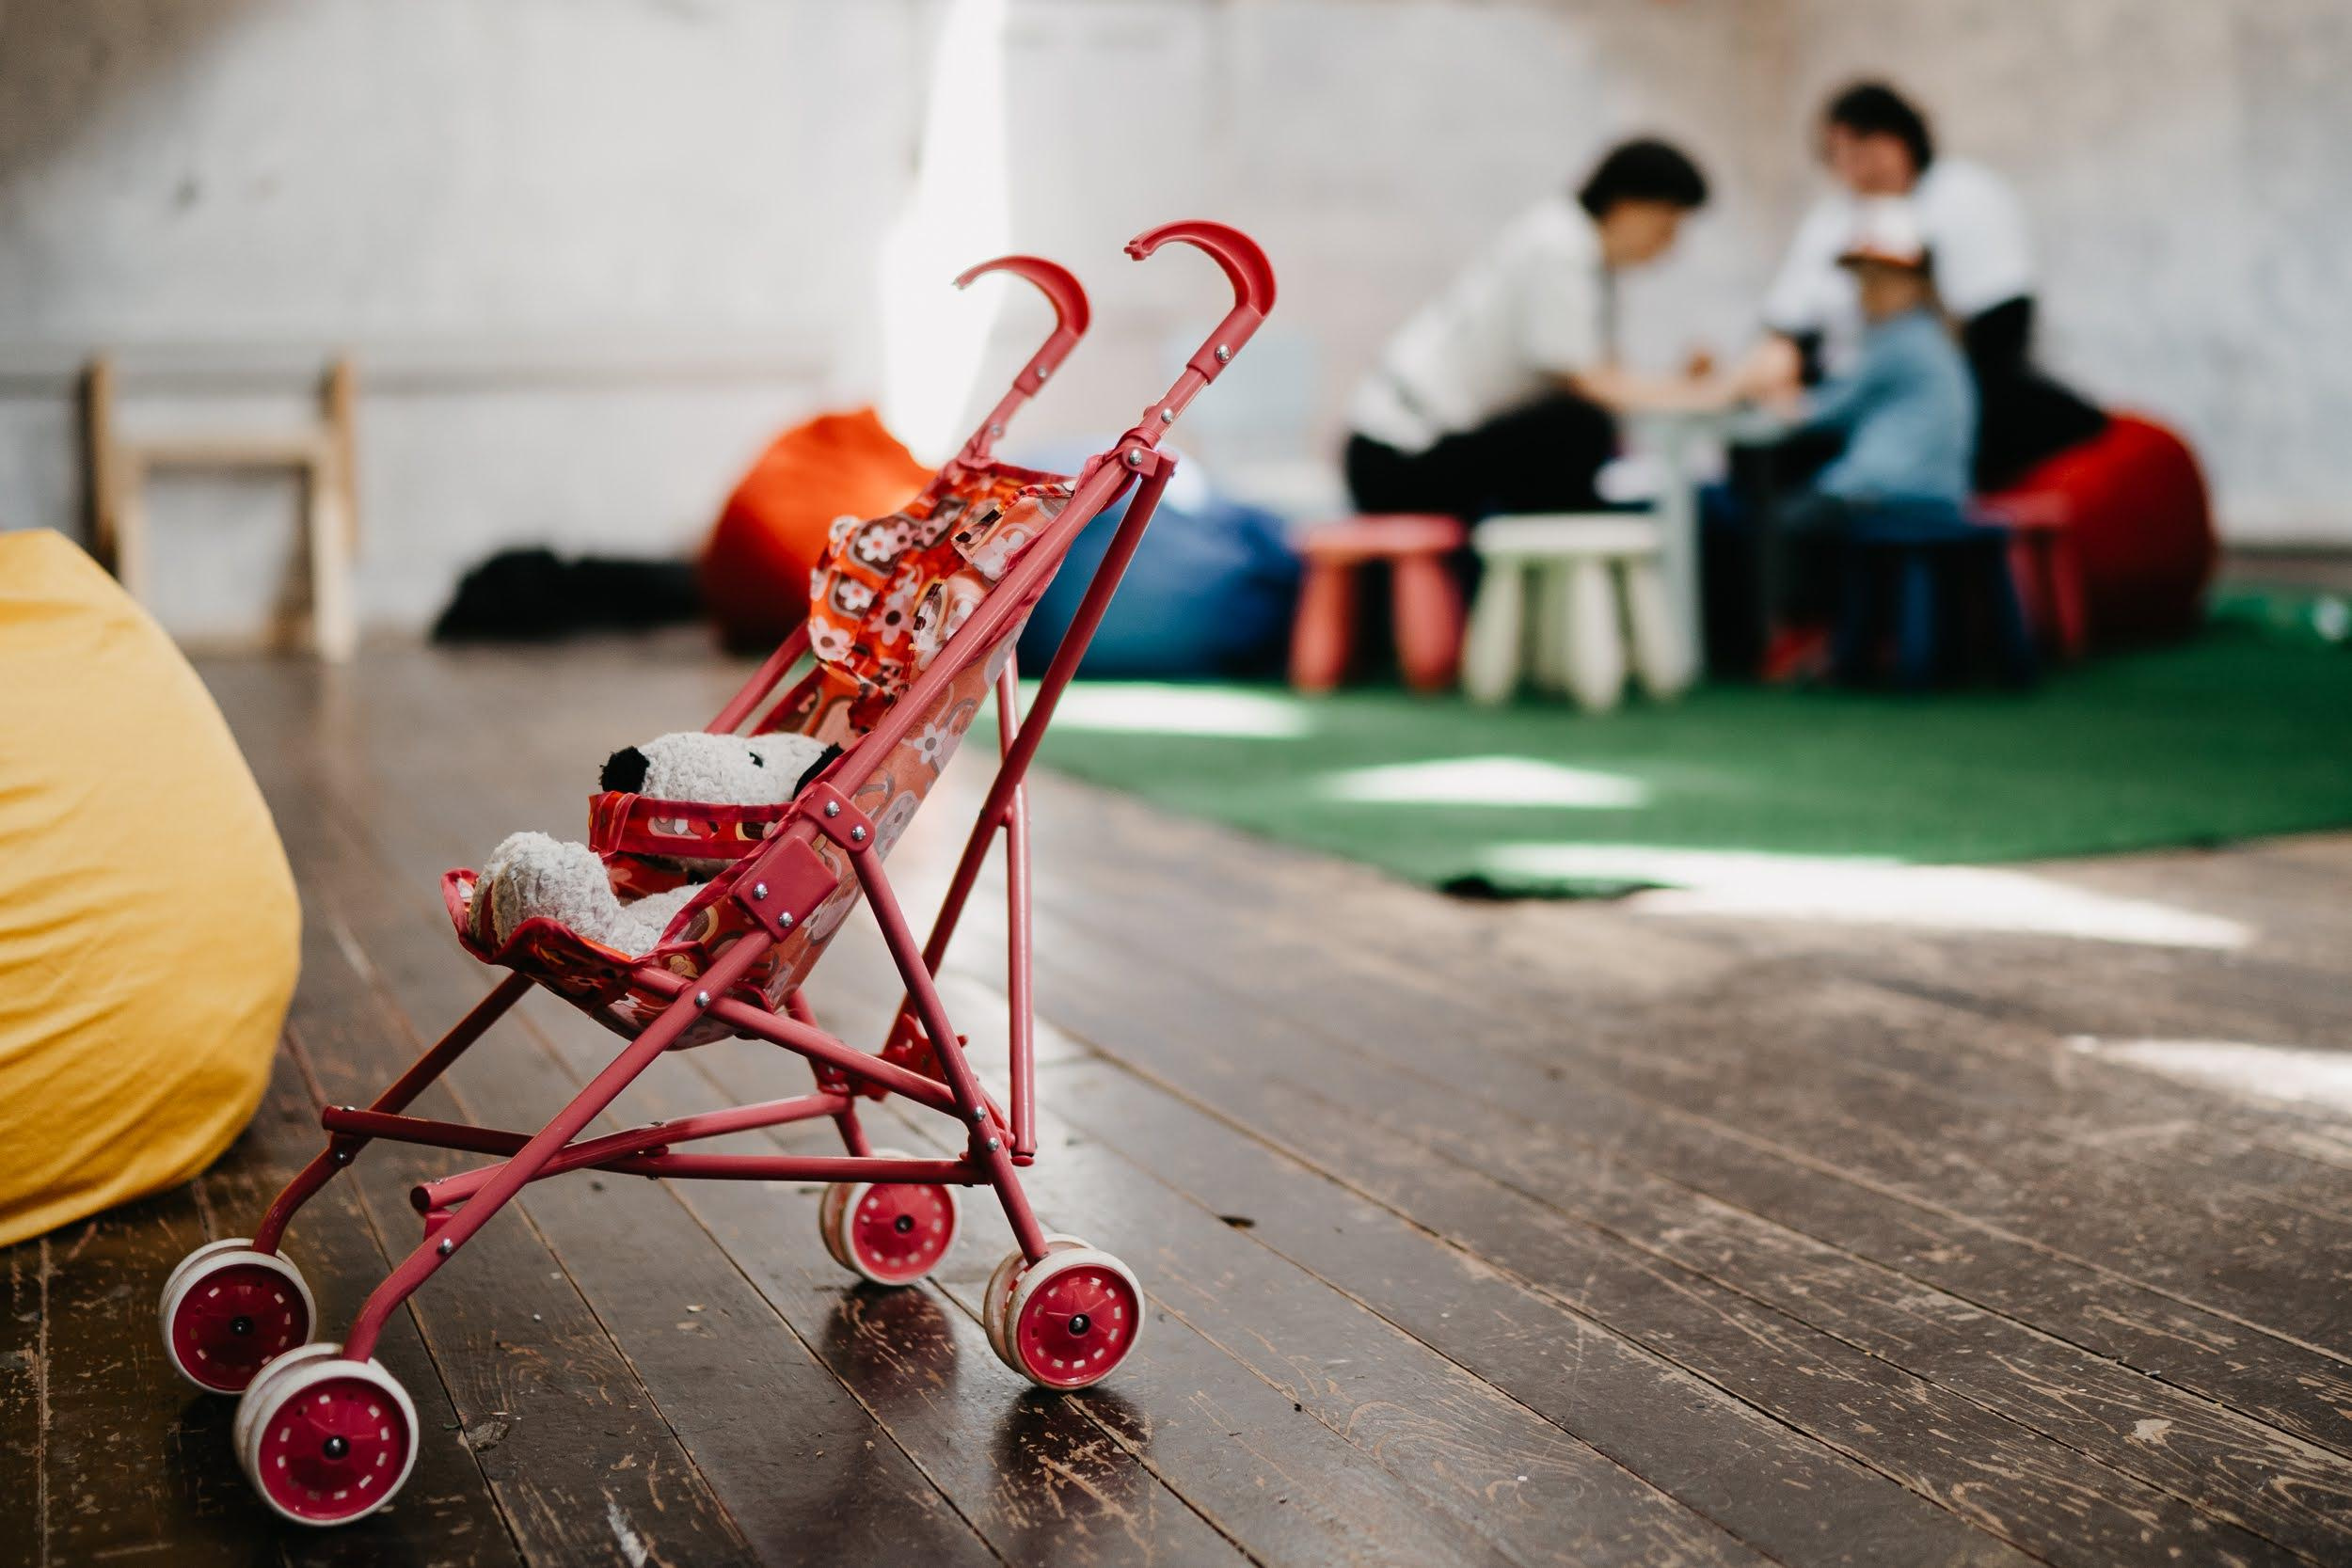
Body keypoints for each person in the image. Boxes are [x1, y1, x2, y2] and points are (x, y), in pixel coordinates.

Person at [1737, 81, 2100, 489]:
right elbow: (1788, 322)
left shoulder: (1964, 194)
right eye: (1841, 158)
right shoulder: (1830, 218)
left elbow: (2002, 325)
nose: (1857, 170)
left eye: (1866, 151)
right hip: (1858, 384)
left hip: (1957, 382)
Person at [1344, 138, 1724, 519]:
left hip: (1418, 445)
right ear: (1628, 207)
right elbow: (1589, 386)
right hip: (1397, 454)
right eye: (1666, 226)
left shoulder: (1587, 260)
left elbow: (1610, 382)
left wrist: (1678, 387)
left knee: (1583, 430)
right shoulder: (1561, 247)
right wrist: (1697, 395)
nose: (1670, 246)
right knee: (1578, 427)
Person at [1732, 198, 1978, 674]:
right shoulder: (1930, 338)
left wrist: (1778, 397)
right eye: (1863, 281)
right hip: (1933, 482)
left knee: (1788, 521)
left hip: (1892, 485)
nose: (1868, 293)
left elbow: (1829, 410)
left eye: (1882, 281)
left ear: (1916, 285)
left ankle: (1803, 633)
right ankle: (1852, 633)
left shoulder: (1901, 340)